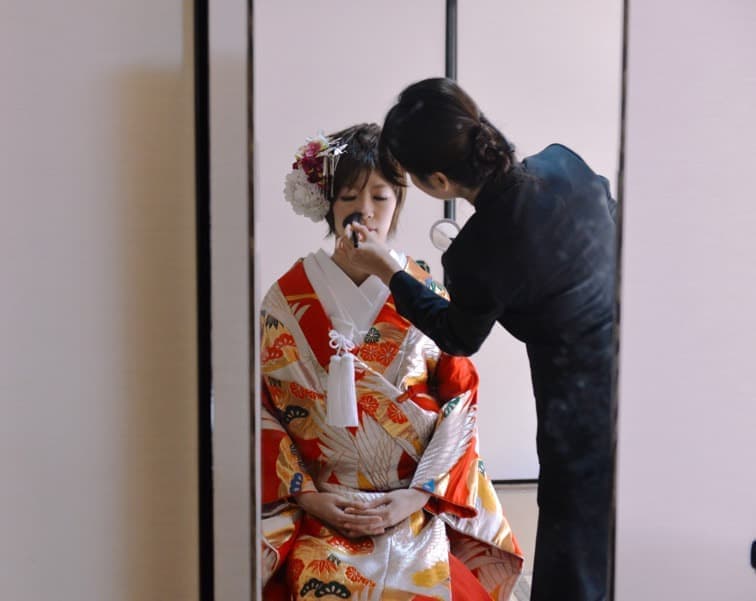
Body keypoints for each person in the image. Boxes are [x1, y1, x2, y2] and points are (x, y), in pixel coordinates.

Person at [336, 79, 617, 601]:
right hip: (637, 351)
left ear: (438, 180)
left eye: (388, 191)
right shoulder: (564, 163)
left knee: (573, 526)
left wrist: (388, 271)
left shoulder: (473, 254)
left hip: (577, 391)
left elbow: (457, 336)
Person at [260, 123, 523, 601]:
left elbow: (460, 401)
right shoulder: (286, 299)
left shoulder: (426, 293)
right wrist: (310, 496)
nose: (364, 211)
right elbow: (262, 409)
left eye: (380, 197)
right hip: (322, 507)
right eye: (349, 197)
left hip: (412, 507)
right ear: (328, 205)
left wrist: (417, 494)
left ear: (399, 200)